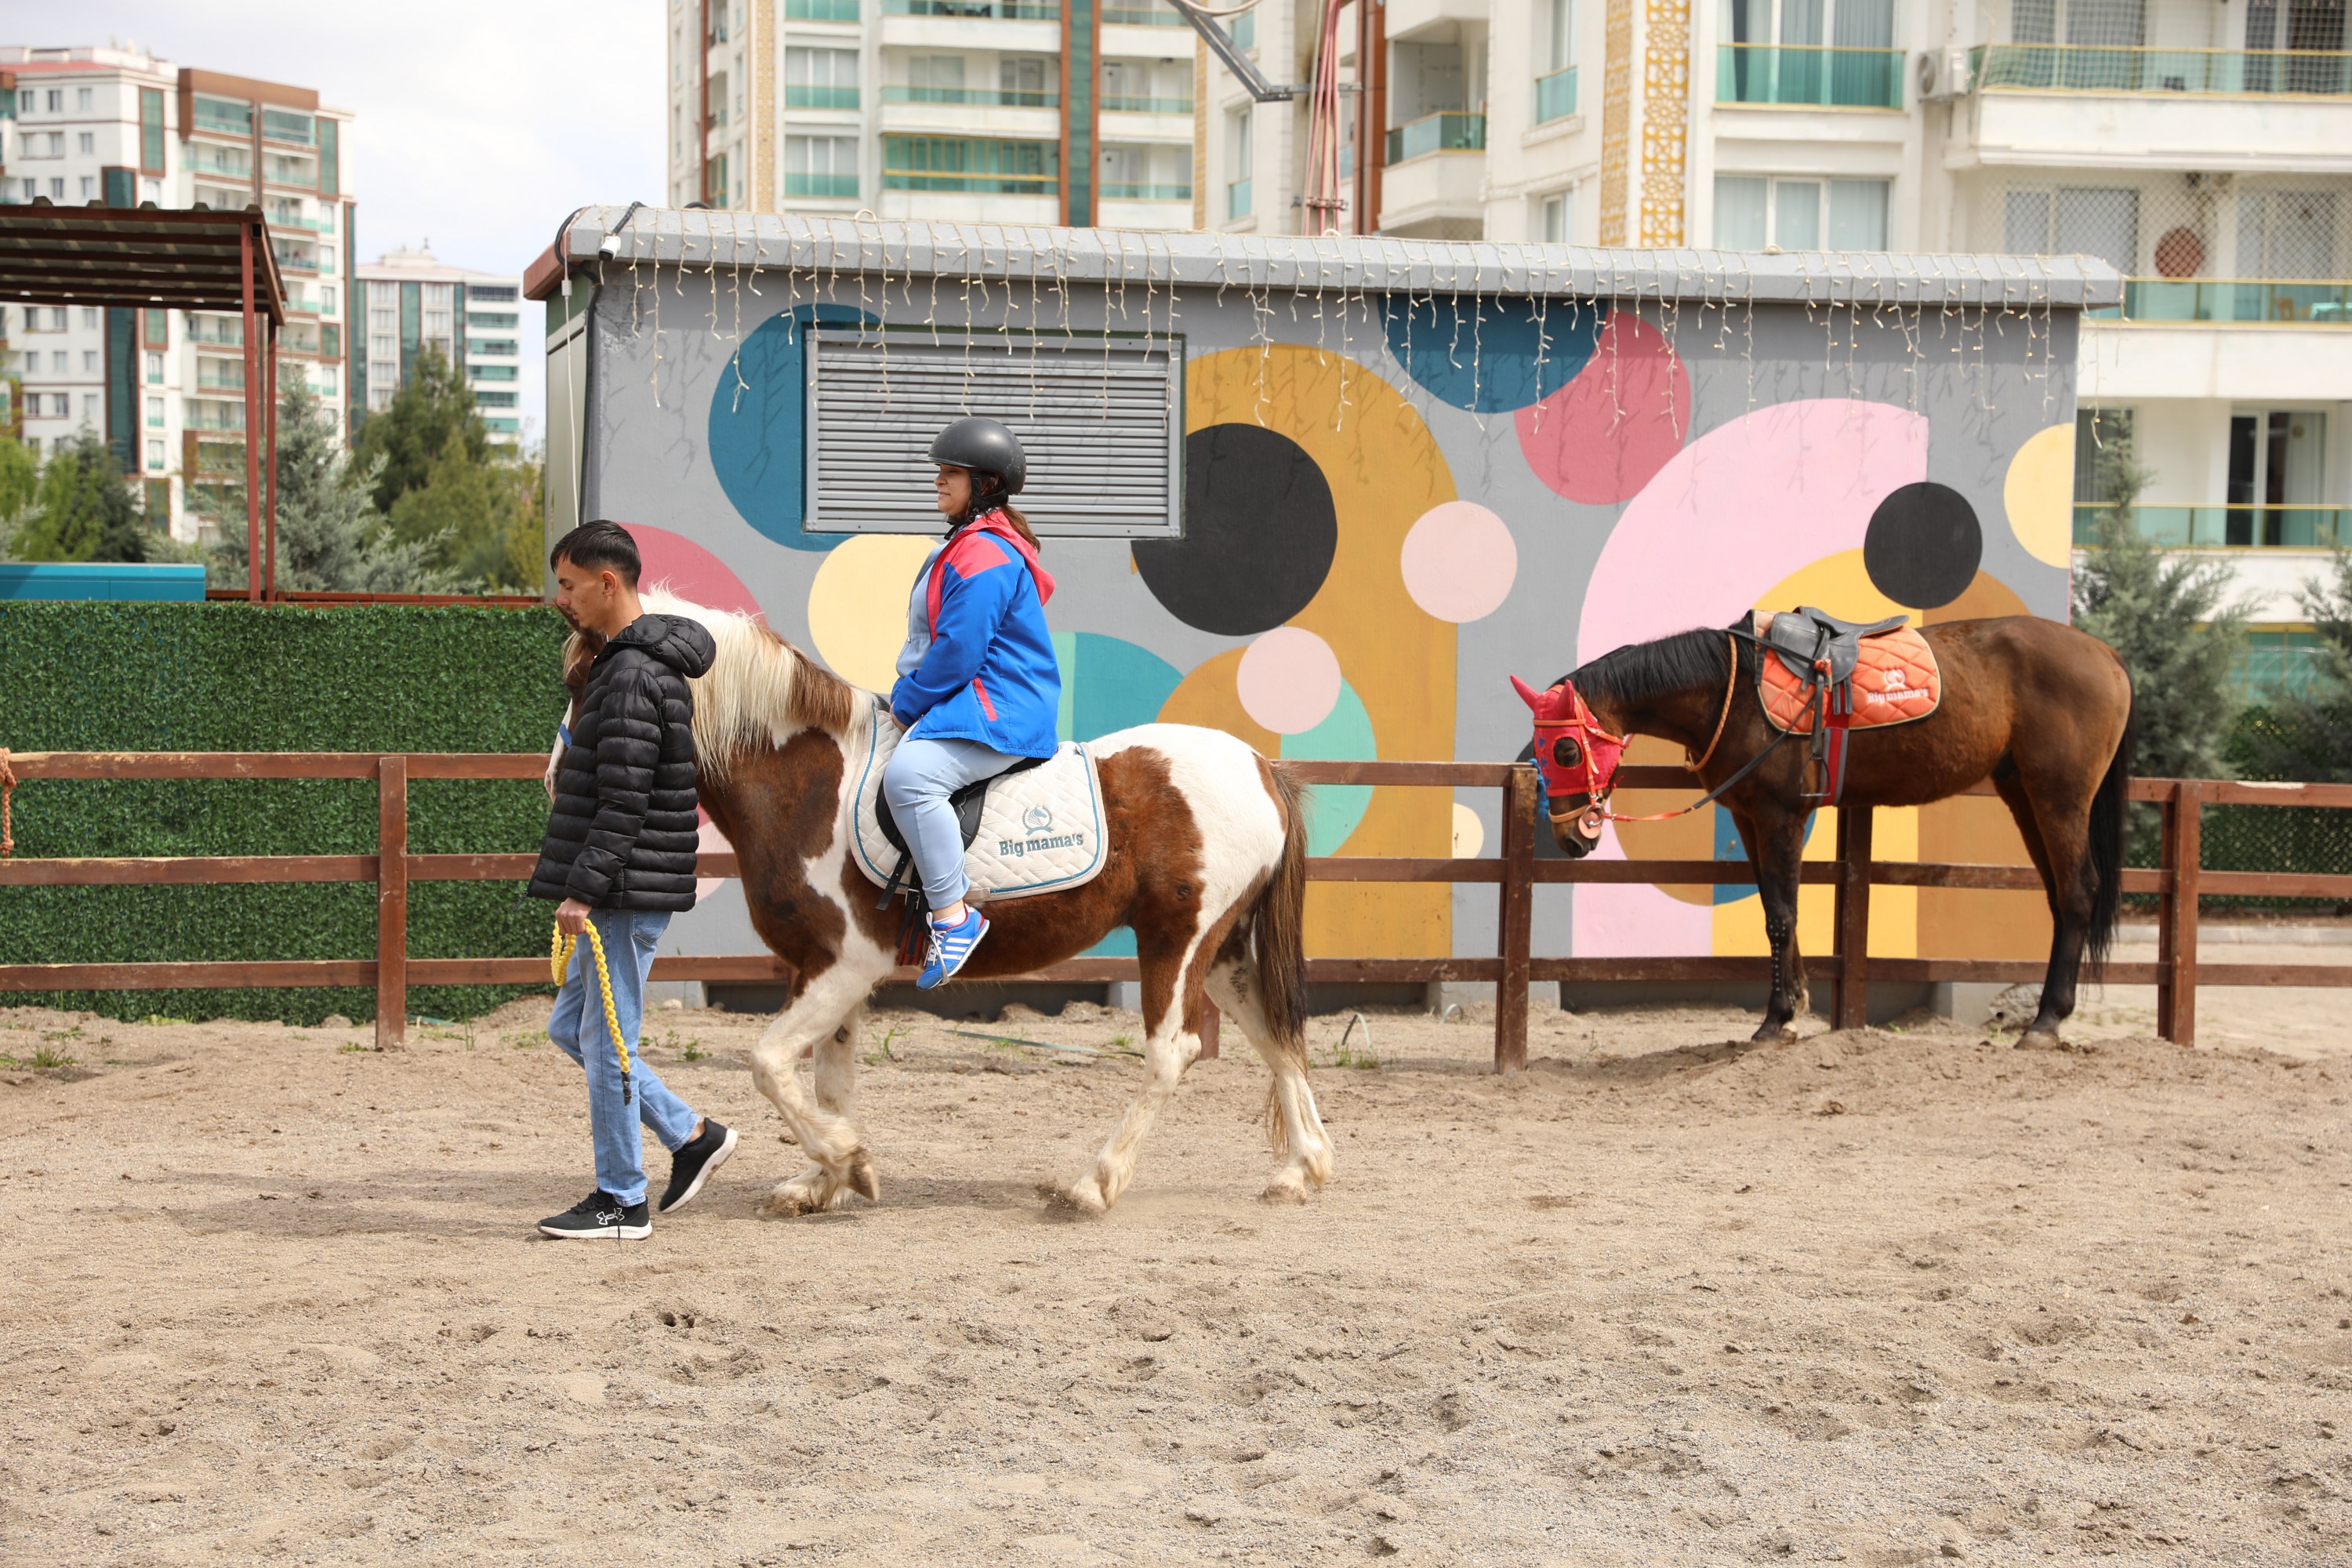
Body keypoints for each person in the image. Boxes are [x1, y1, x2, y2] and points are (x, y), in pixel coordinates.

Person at [528, 520, 739, 1241]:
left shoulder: (631, 675)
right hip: (625, 883)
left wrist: (583, 889)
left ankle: (622, 1201)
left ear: (607, 581)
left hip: (621, 890)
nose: (561, 599)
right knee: (573, 1029)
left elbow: (624, 799)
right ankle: (691, 1136)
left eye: (568, 585)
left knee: (608, 1044)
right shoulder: (630, 666)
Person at [884, 418, 1062, 989]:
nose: (939, 480)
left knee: (911, 778)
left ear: (985, 485)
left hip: (998, 707)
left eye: (951, 473)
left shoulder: (983, 551)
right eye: (940, 471)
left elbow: (959, 651)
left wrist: (908, 700)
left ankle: (952, 916)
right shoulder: (966, 545)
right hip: (971, 699)